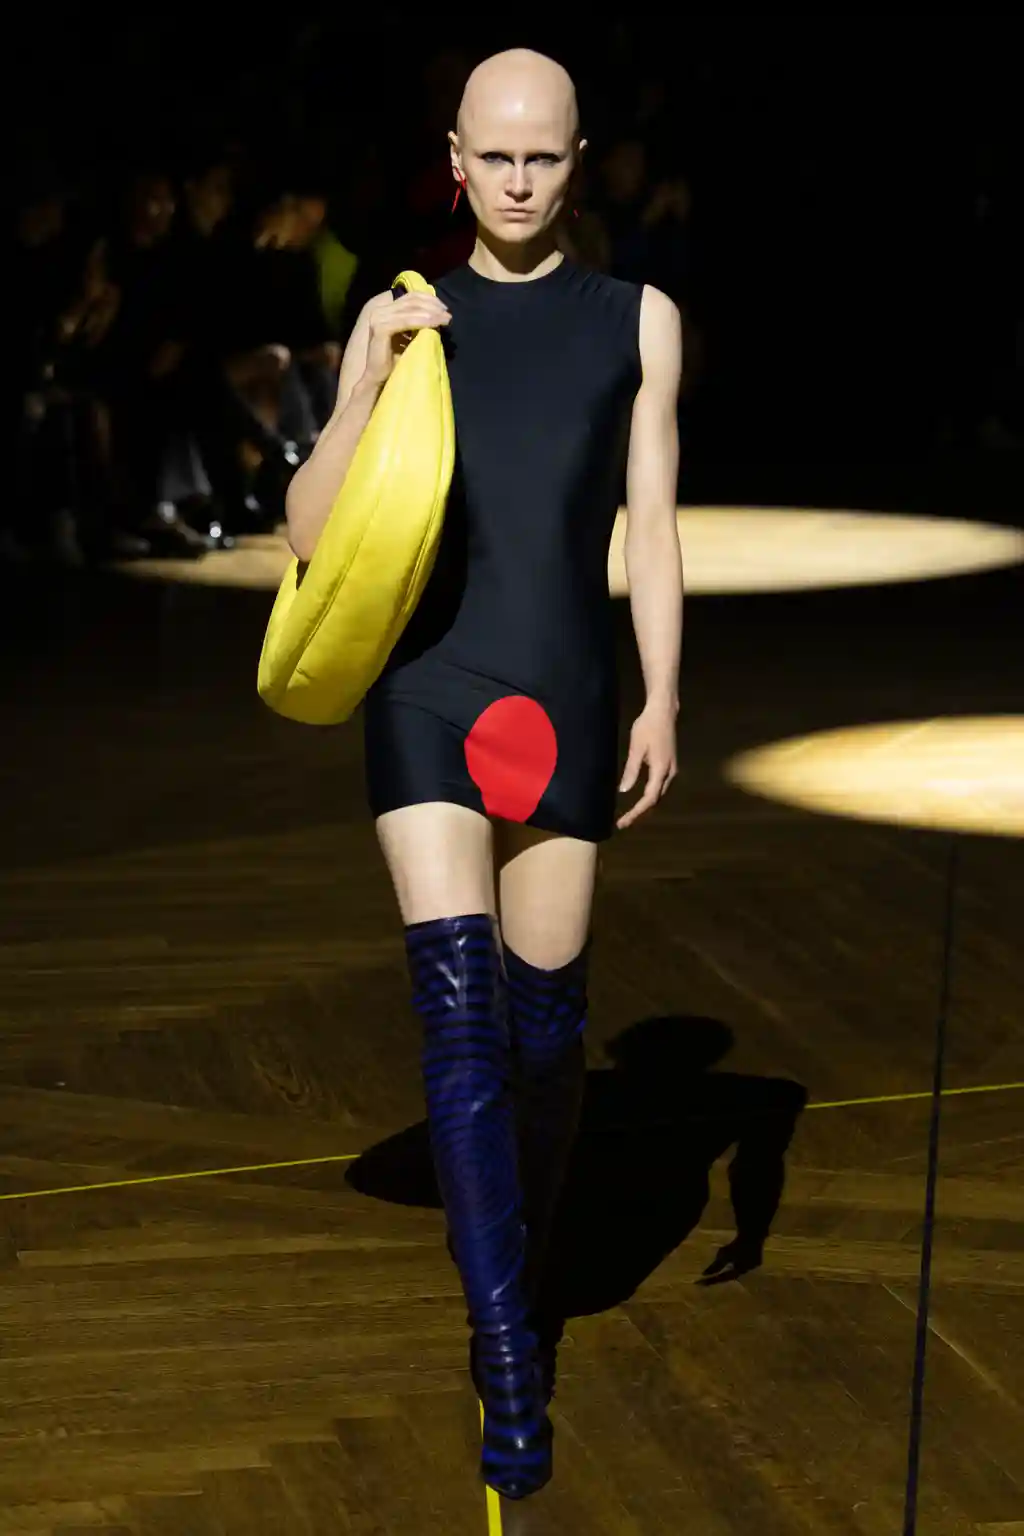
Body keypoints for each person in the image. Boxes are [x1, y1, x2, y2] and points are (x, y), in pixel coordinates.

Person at [285, 47, 684, 1500]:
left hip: (567, 689)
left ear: (577, 161)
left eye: (543, 157)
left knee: (544, 1040)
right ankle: (508, 1342)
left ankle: (522, 1263)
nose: (518, 182)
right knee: (457, 1024)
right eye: (494, 157)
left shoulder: (637, 320)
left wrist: (664, 694)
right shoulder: (406, 315)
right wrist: (360, 386)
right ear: (454, 161)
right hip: (430, 689)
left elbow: (651, 521)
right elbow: (311, 535)